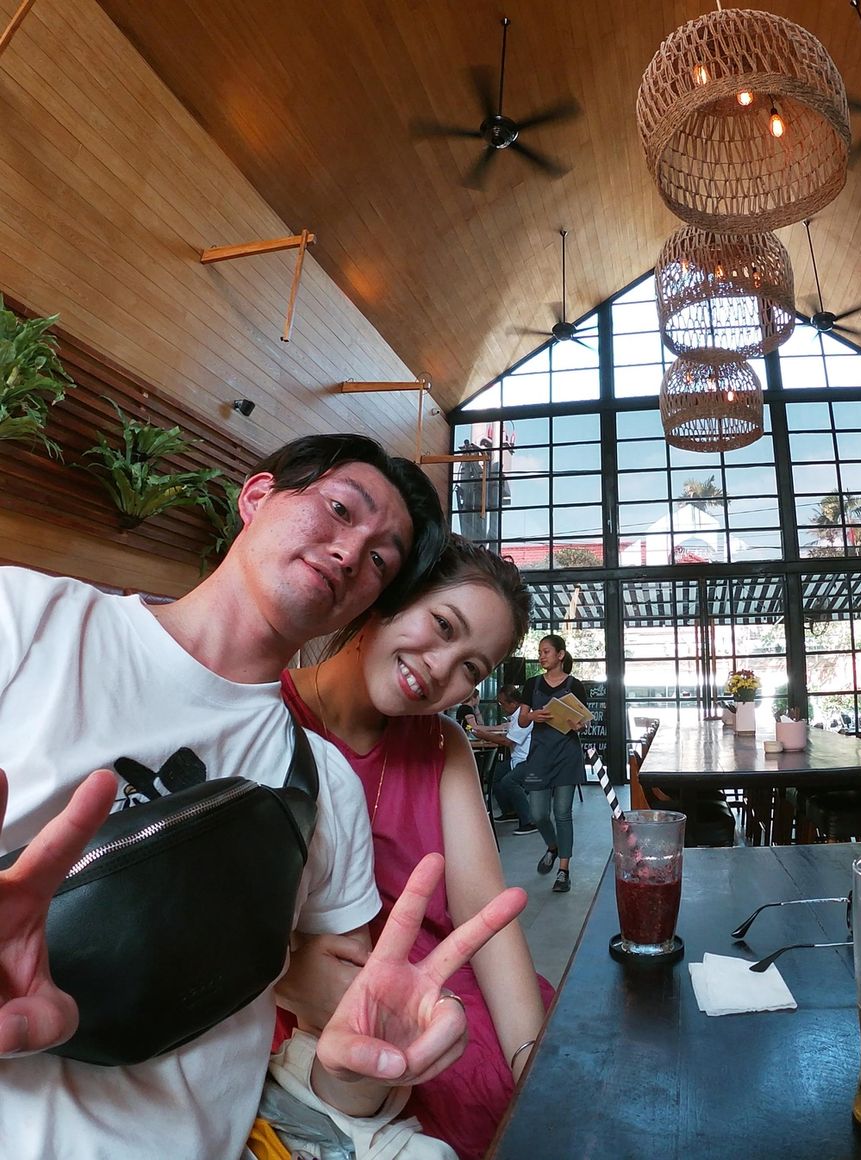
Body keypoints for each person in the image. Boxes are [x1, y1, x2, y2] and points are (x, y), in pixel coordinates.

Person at [0, 434, 527, 1159]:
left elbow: (336, 1030)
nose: (351, 551)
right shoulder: (29, 620)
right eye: (339, 509)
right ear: (256, 496)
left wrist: (359, 1070)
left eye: (381, 560)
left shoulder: (323, 785)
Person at [279, 536, 553, 1160]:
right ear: (390, 597)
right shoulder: (266, 712)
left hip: (441, 991)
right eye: (443, 625)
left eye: (471, 669)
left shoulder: (442, 745)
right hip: (309, 1012)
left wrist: (530, 1061)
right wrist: (284, 978)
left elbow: (483, 912)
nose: (440, 667)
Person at [519, 635, 588, 895]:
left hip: (567, 755)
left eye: (546, 651)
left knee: (562, 813)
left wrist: (579, 725)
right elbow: (522, 721)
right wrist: (533, 715)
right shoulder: (532, 684)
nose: (541, 656)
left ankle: (563, 871)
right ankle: (553, 846)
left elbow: (584, 722)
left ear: (560, 655)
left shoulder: (575, 685)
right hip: (540, 755)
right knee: (538, 814)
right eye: (540, 652)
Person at [476, 684, 537, 835]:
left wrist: (484, 735)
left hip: (528, 760)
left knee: (509, 781)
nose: (501, 707)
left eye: (502, 704)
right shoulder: (514, 716)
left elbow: (508, 741)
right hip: (516, 758)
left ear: (513, 703)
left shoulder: (524, 717)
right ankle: (510, 811)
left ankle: (529, 821)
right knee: (494, 776)